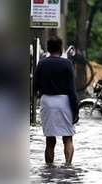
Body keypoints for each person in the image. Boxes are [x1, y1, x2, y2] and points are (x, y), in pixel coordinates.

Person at [33, 36, 78, 165]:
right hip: (64, 101)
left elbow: (35, 87)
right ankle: (68, 166)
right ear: (61, 48)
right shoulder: (67, 64)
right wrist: (76, 111)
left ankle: (49, 168)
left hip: (47, 101)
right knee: (68, 138)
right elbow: (71, 89)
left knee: (50, 140)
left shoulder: (41, 63)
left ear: (48, 48)